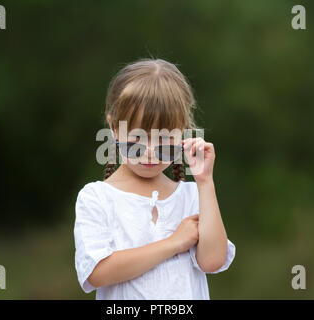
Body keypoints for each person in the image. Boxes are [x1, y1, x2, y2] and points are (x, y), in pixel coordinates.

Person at [74, 58, 236, 299]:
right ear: (114, 128)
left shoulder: (193, 195)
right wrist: (174, 243)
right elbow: (97, 272)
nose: (149, 151)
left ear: (182, 132)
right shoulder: (96, 197)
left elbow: (212, 261)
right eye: (137, 138)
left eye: (163, 139)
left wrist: (205, 182)